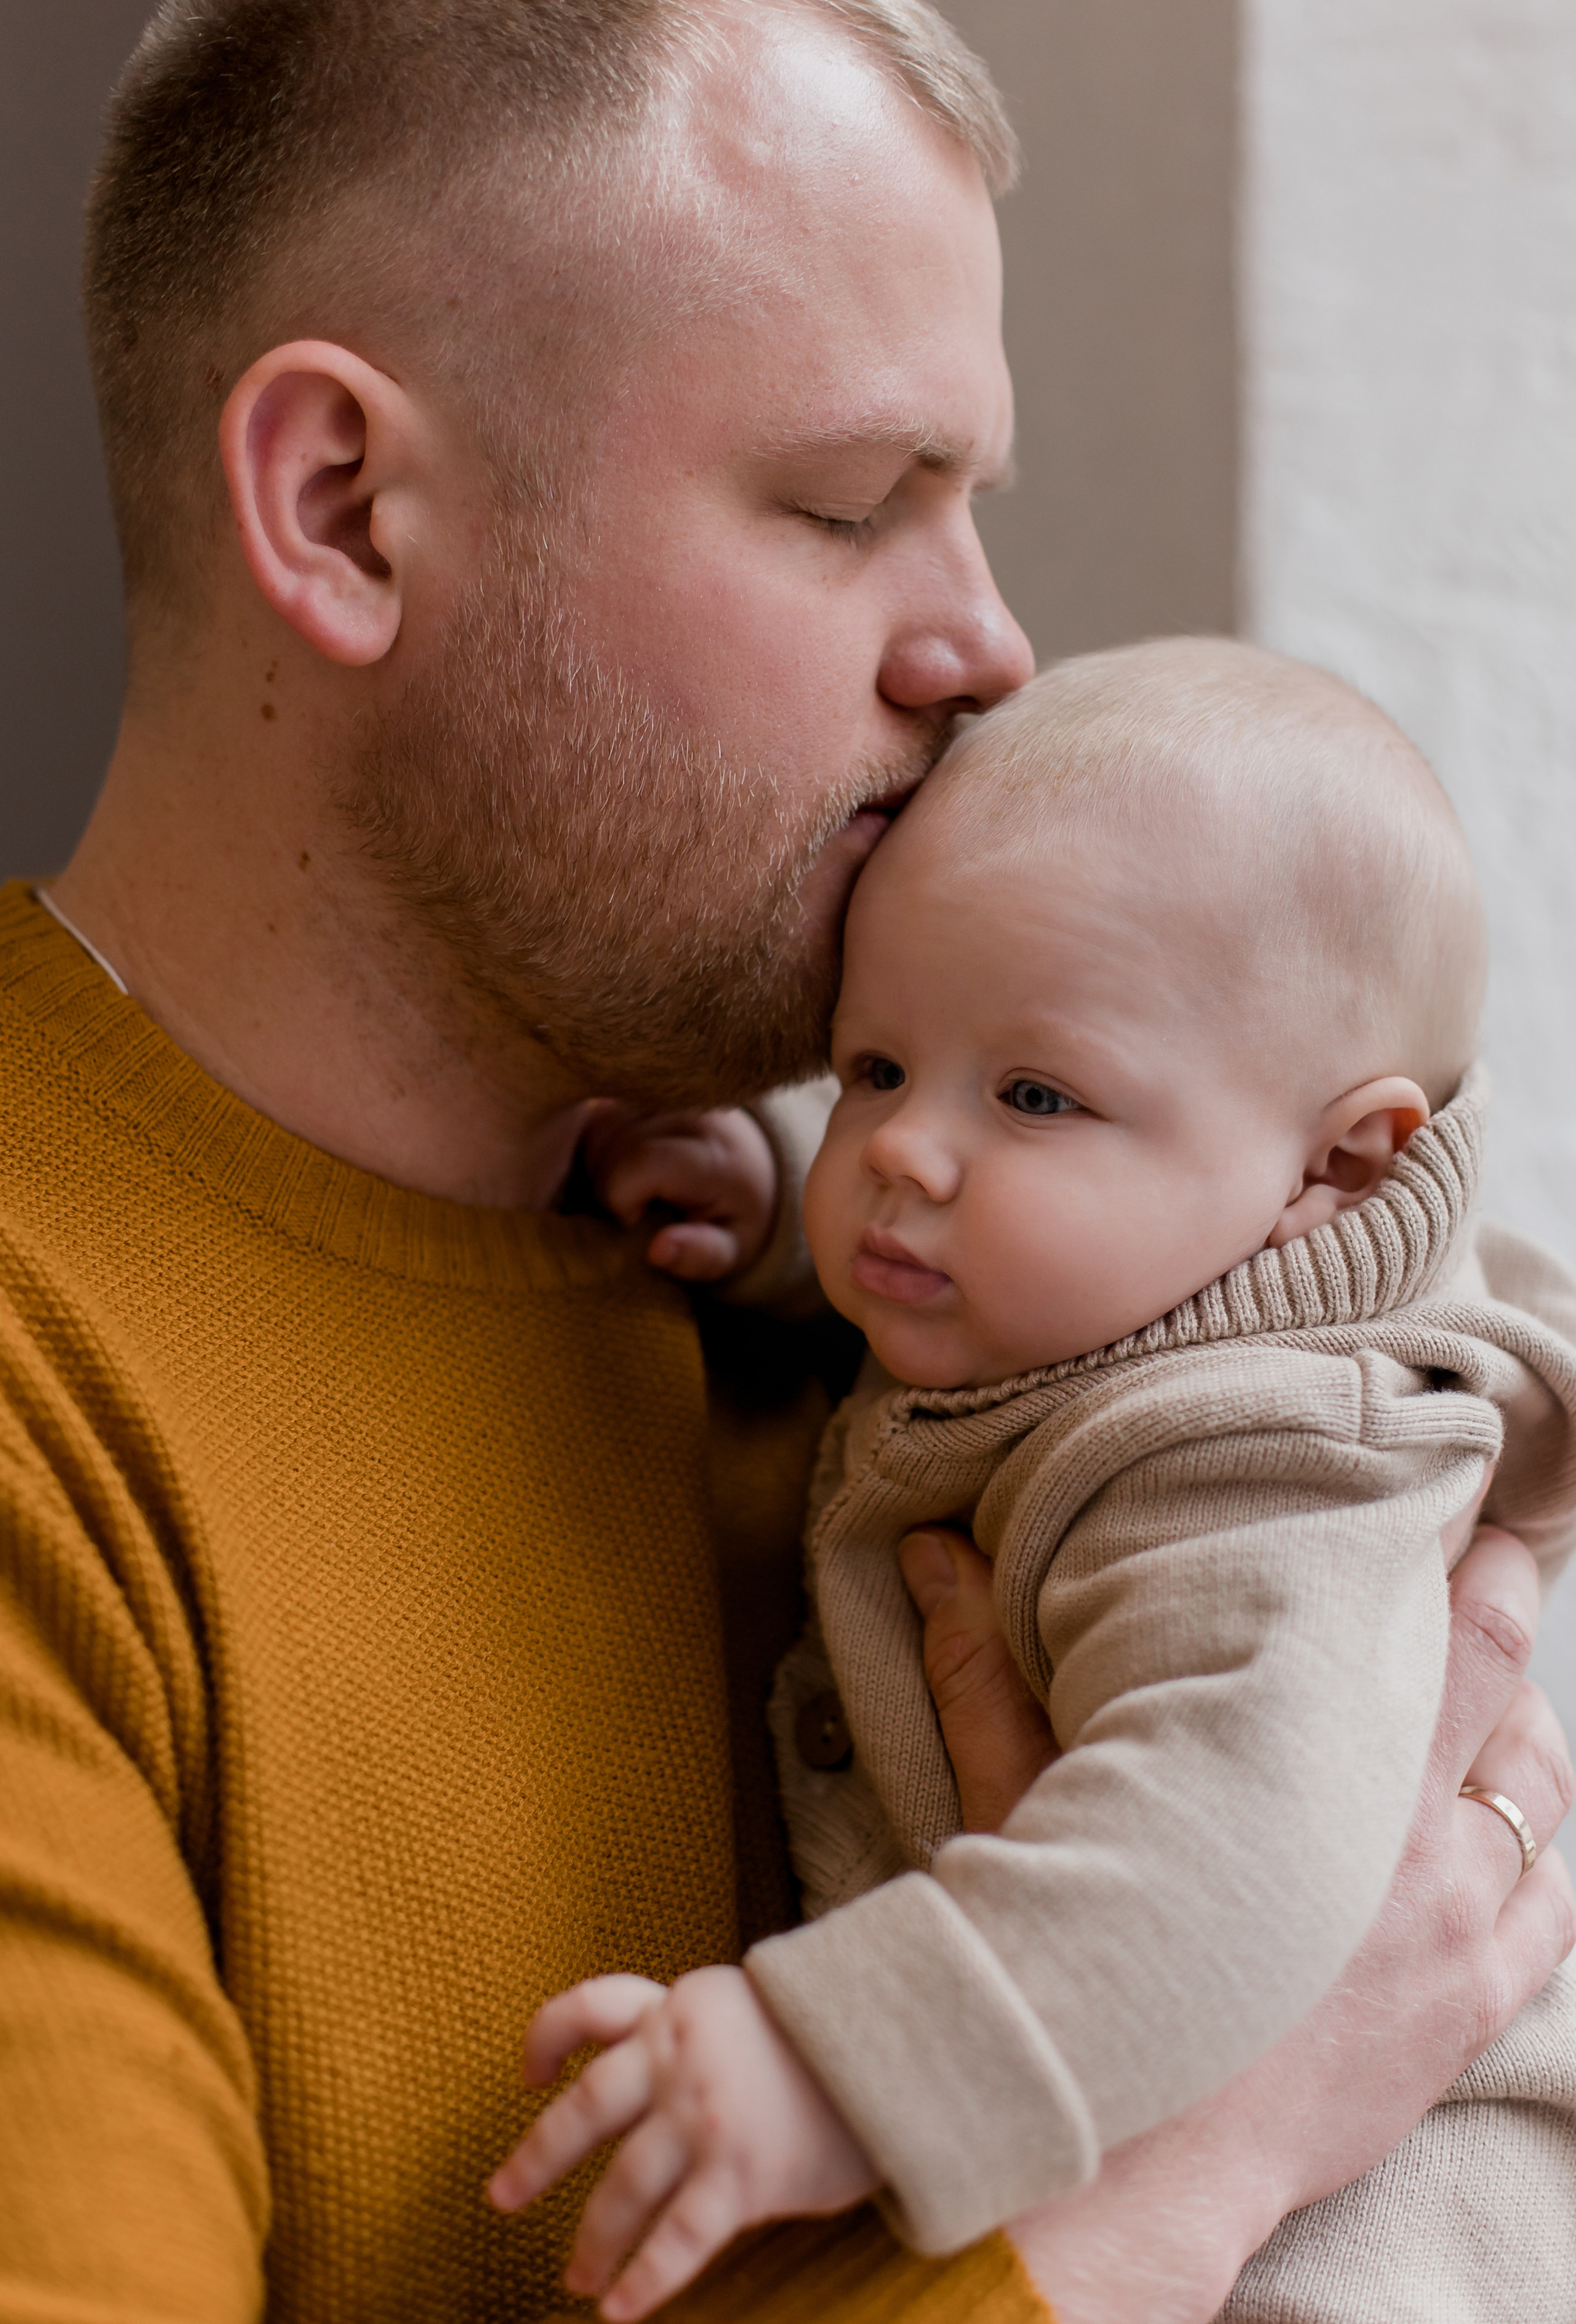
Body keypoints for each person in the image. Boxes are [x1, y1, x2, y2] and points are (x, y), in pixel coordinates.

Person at [0, 0, 1569, 2319]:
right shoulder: (50, 1394)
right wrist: (1212, 2147)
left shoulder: (918, 1282)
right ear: (342, 511)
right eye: (852, 506)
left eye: (974, 508)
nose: (990, 649)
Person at [494, 639, 1576, 2320]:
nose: (910, 1153)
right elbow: (960, 1274)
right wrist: (779, 1204)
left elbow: (1240, 1849)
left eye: (1033, 1093)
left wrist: (839, 2065)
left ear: (1331, 1166)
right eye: (871, 1071)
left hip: (1379, 2237)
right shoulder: (1115, 1291)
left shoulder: (1258, 1467)